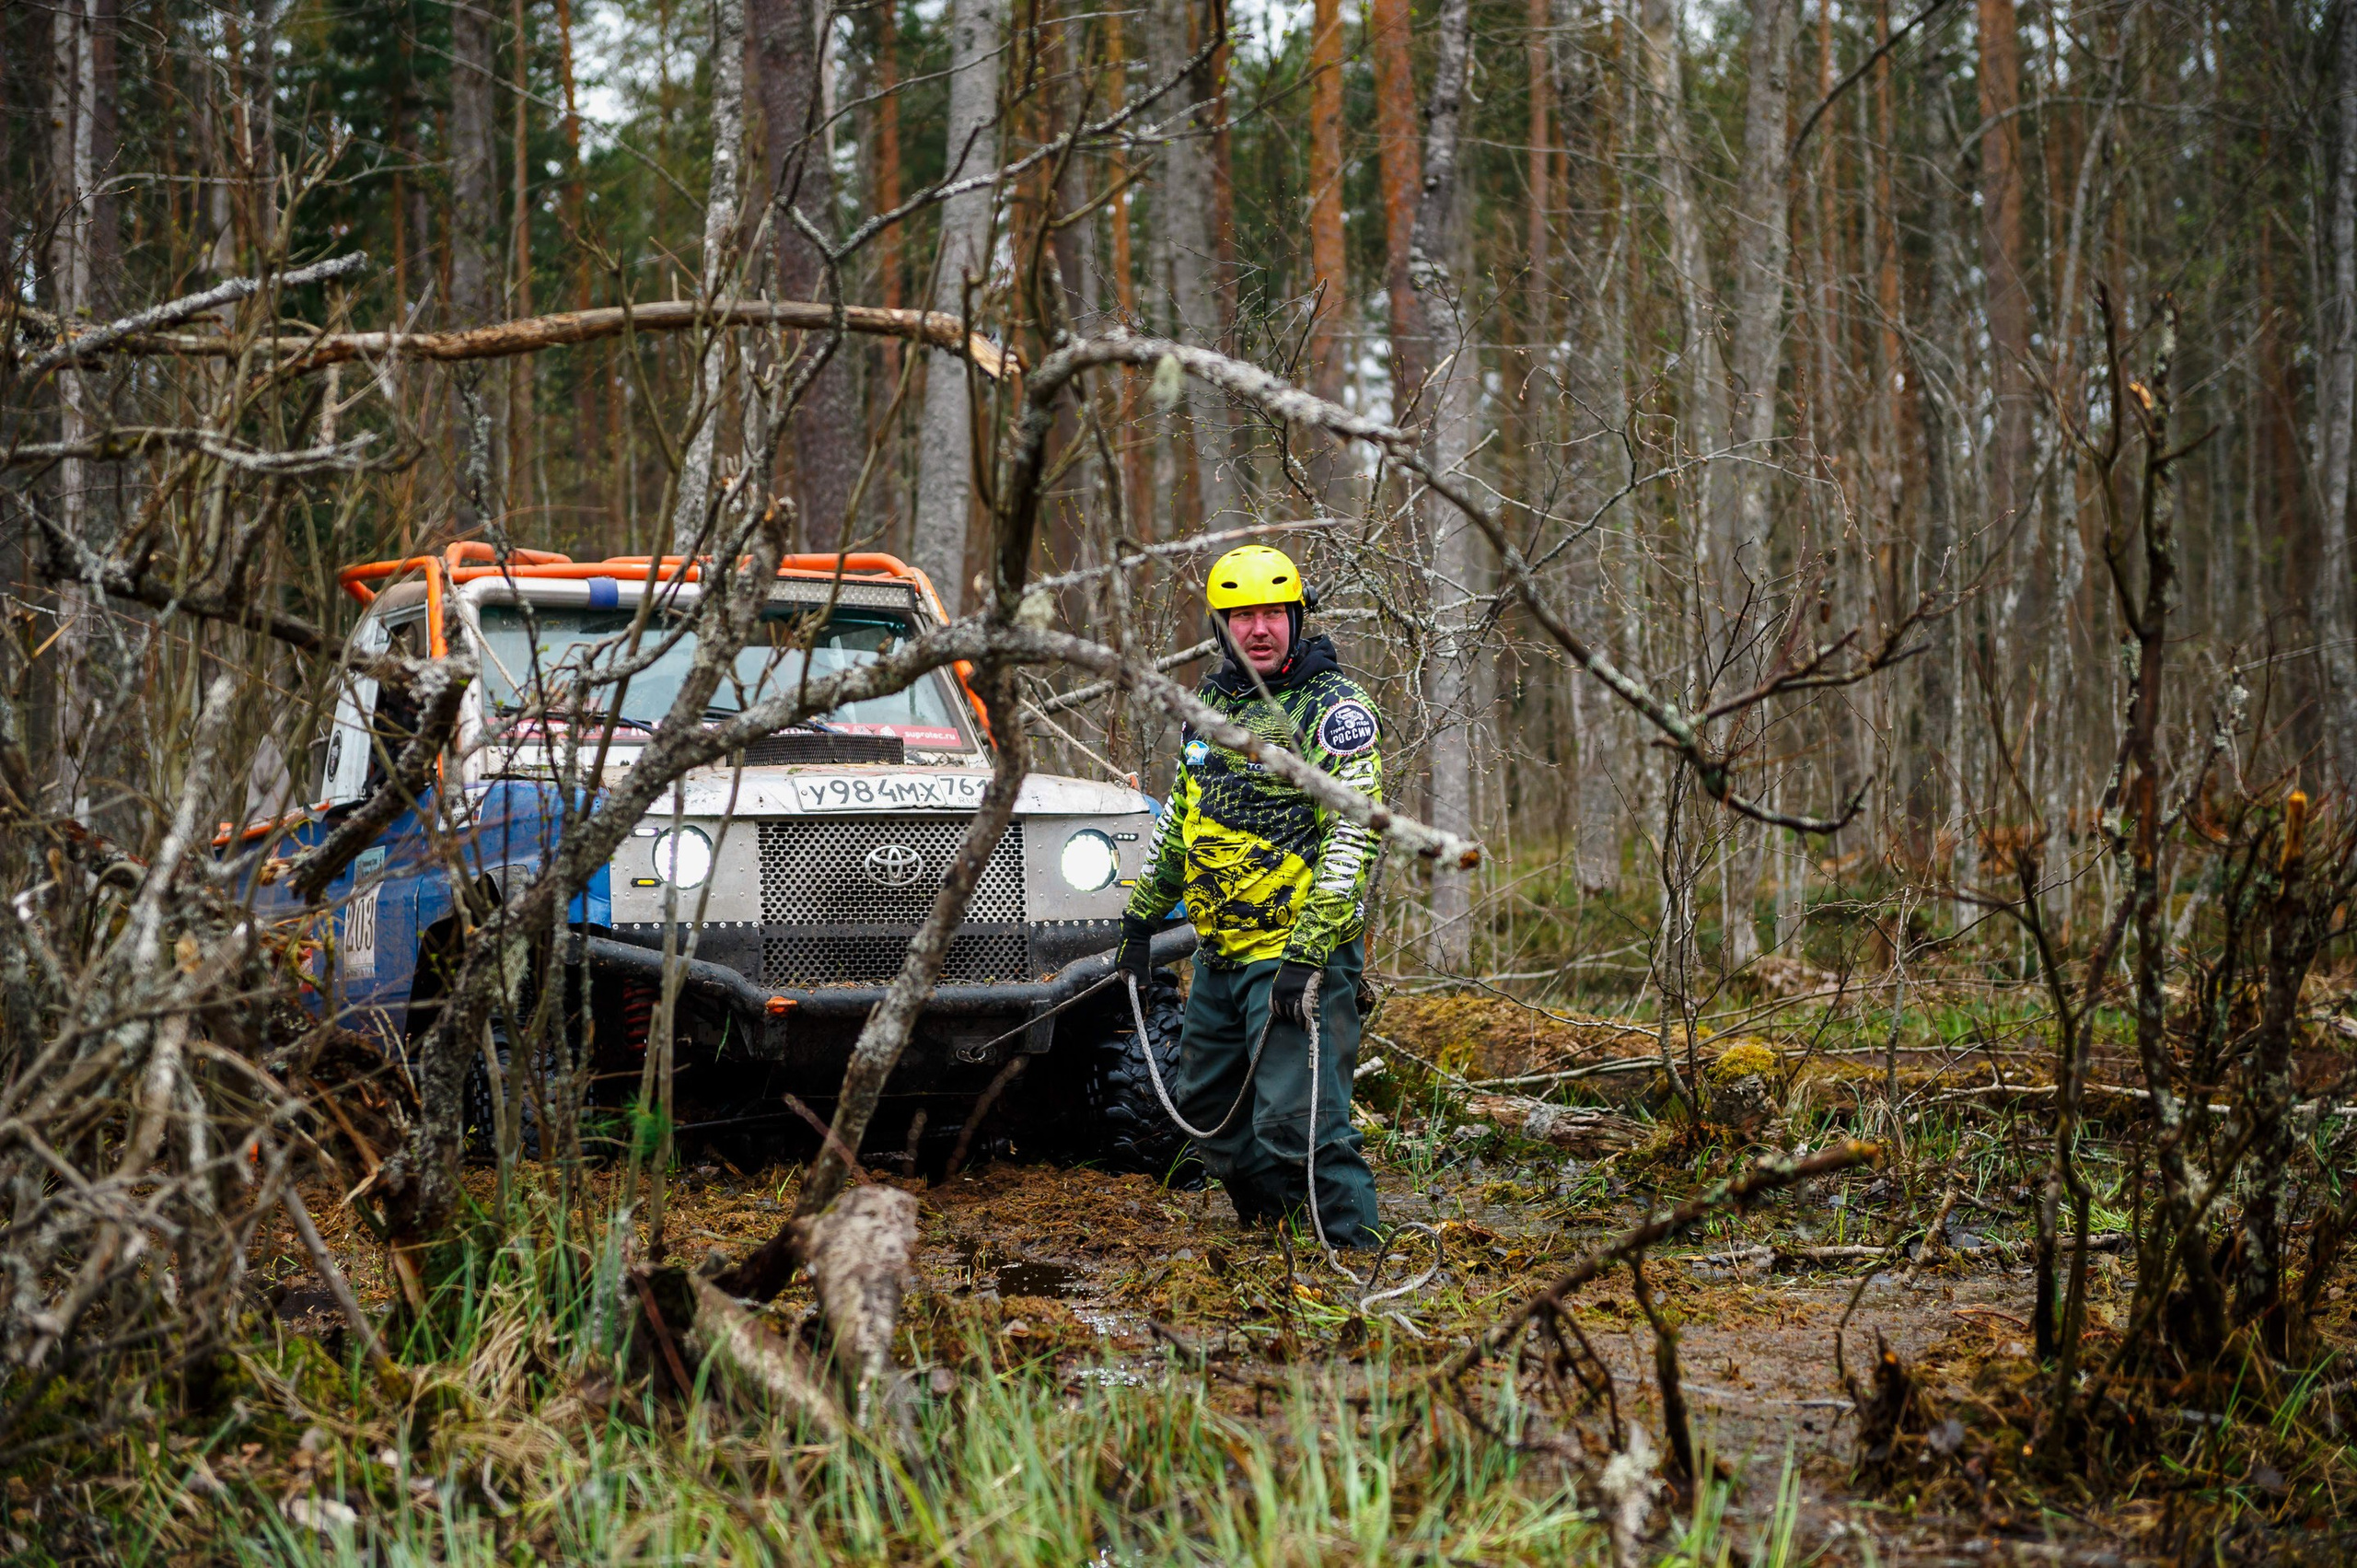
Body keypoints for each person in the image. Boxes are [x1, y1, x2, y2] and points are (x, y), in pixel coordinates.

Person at [1115, 545, 1383, 1248]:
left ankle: (1356, 1258)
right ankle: (1278, 1240)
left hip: (1297, 955)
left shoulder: (1334, 709)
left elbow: (1353, 840)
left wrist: (1308, 955)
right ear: (1221, 627)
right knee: (1208, 1114)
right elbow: (1181, 816)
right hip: (1220, 955)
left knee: (1301, 1123)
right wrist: (1142, 920)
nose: (1257, 628)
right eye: (1241, 616)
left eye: (1270, 612)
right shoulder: (1209, 707)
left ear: (1296, 616)